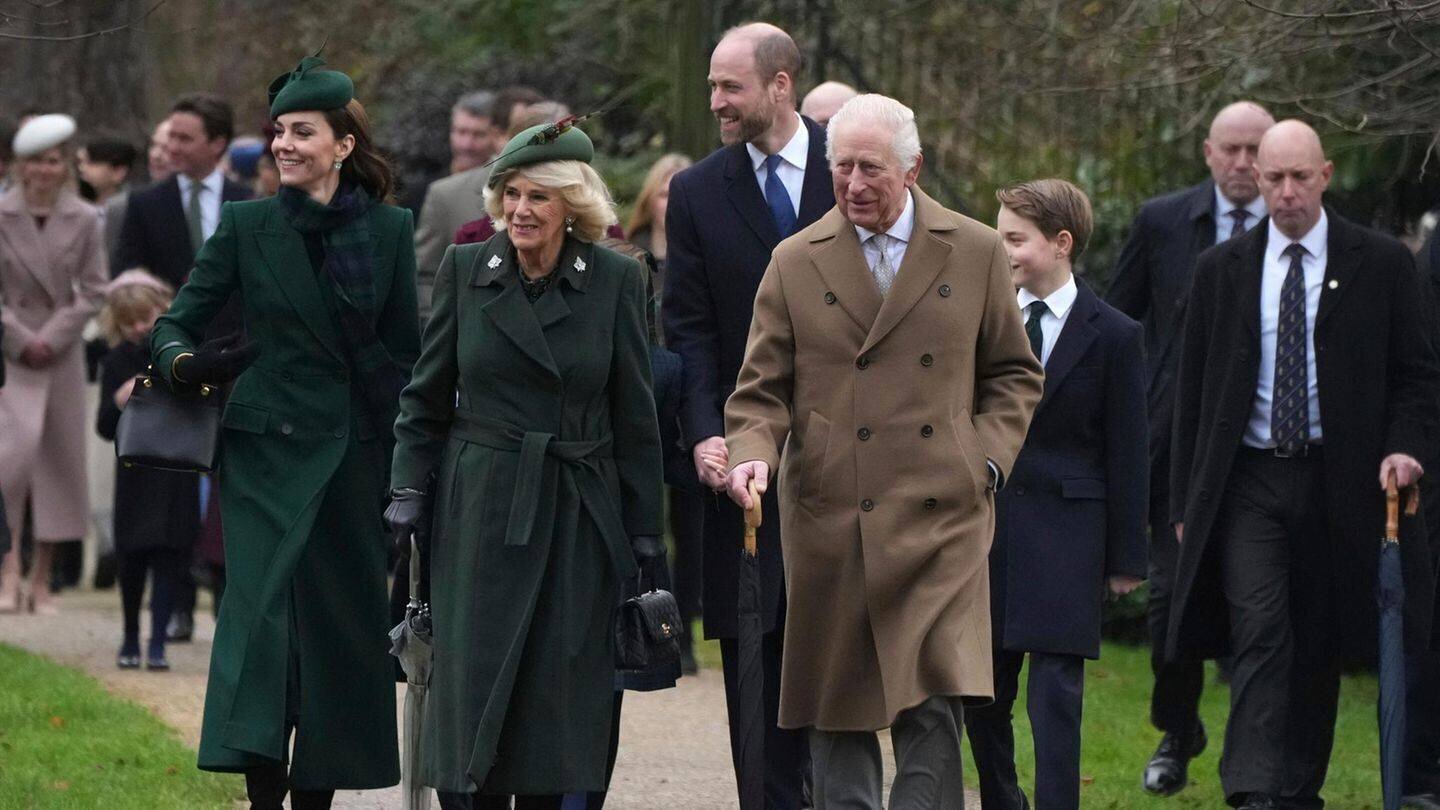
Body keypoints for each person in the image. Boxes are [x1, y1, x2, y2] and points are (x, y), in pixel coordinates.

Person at [724, 92, 1042, 810]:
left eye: (871, 168)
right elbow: (760, 389)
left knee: (932, 696)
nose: (855, 185)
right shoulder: (795, 261)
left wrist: (984, 459)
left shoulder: (977, 249)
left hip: (943, 516)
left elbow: (1014, 373)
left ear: (913, 168)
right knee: (840, 706)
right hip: (834, 514)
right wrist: (752, 453)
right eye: (842, 168)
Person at [149, 55, 416, 807]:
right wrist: (189, 364)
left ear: (342, 145)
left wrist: (409, 468)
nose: (284, 145)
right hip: (264, 453)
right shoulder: (246, 224)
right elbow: (174, 324)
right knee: (260, 624)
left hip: (353, 456)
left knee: (337, 631)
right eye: (279, 132)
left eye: (303, 132)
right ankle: (262, 791)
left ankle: (315, 798)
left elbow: (405, 359)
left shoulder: (390, 232)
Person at [386, 120, 662, 809]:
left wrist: (645, 532)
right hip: (479, 507)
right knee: (470, 685)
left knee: (556, 700)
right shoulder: (465, 272)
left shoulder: (617, 282)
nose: (520, 210)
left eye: (539, 196)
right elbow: (424, 397)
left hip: (575, 511)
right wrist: (406, 489)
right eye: (510, 193)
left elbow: (636, 419)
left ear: (573, 205)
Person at [1168, 120, 1439, 809]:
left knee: (1316, 639)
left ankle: (1295, 790)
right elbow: (1191, 397)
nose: (1286, 192)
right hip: (1250, 479)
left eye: (1299, 177)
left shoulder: (1380, 264)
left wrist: (1406, 447)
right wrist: (1182, 507)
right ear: (1255, 180)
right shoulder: (1221, 271)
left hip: (1337, 478)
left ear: (1325, 174)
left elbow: (1417, 375)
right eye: (1273, 178)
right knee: (1258, 627)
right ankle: (1252, 786)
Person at [661, 23, 834, 806]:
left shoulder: (852, 167)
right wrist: (705, 432)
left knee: (836, 646)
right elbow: (690, 329)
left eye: (729, 86)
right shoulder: (698, 192)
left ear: (780, 84)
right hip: (743, 458)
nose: (716, 102)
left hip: (844, 454)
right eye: (711, 85)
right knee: (752, 647)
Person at [1104, 99, 1275, 796]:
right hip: (1176, 449)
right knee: (1169, 606)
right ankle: (1179, 728)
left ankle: (1254, 762)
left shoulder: (1302, 229)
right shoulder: (1163, 223)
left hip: (1264, 446)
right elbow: (1117, 323)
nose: (1241, 164)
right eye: (1229, 150)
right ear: (1208, 153)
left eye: (1253, 150)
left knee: (1258, 611)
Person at [964, 179, 1147, 810]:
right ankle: (1002, 798)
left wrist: (1126, 558)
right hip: (989, 531)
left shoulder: (1116, 334)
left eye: (1015, 237)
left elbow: (1128, 449)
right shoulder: (982, 320)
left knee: (1056, 699)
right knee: (982, 693)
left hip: (1069, 534)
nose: (1001, 248)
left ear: (1061, 243)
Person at [116, 92, 253, 642]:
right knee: (174, 477)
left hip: (239, 357)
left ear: (217, 144)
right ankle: (173, 601)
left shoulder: (249, 203)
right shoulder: (146, 205)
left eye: (184, 138)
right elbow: (126, 279)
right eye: (168, 136)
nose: (170, 146)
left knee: (229, 481)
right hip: (174, 359)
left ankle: (225, 596)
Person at [0, 114, 107, 615]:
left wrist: (55, 334)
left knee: (59, 468)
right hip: (10, 356)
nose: (45, 169)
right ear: (19, 166)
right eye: (36, 161)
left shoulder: (85, 217)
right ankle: (7, 573)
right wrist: (21, 337)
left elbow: (94, 289)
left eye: (54, 160)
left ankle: (42, 579)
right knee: (9, 465)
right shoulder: (1, 214)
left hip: (61, 356)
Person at [95, 270, 196, 671]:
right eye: (130, 321)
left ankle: (158, 641)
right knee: (132, 559)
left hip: (175, 472)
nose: (140, 327)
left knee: (171, 558)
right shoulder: (118, 359)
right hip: (134, 472)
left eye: (146, 317)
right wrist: (122, 396)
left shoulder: (181, 353)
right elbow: (103, 426)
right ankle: (131, 635)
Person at [413, 85, 543, 320]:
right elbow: (425, 277)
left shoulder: (570, 199)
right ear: (499, 135)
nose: (466, 144)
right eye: (520, 131)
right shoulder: (444, 194)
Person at [77, 136, 138, 258]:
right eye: (80, 162)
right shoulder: (78, 205)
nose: (82, 168)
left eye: (91, 163)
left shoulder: (131, 211)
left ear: (118, 172)